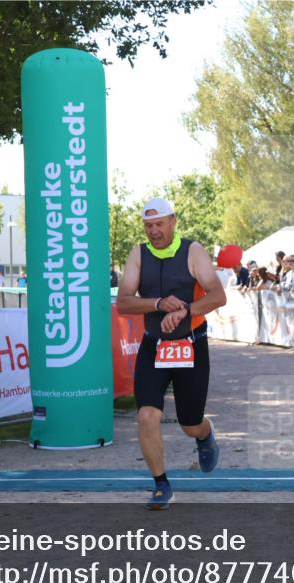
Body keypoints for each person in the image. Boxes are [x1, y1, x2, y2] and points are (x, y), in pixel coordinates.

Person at [116, 197, 226, 510]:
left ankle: (204, 434)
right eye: (148, 226)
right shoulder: (138, 254)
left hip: (191, 343)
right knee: (147, 415)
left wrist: (186, 310)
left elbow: (218, 295)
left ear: (173, 221)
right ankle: (161, 484)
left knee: (189, 423)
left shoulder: (193, 251)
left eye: (159, 224)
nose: (153, 231)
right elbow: (124, 302)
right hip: (155, 345)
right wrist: (157, 303)